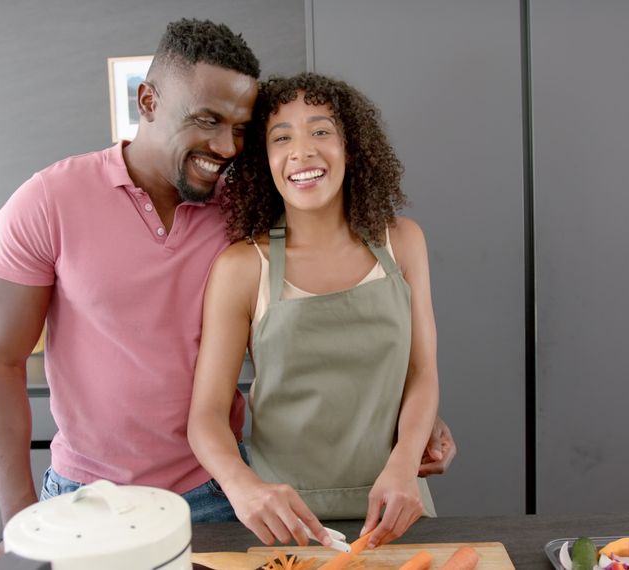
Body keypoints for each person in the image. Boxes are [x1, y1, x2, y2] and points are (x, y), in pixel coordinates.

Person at [0, 18, 456, 548]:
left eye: (241, 127)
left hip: (220, 492)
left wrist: (412, 425)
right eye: (207, 120)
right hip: (88, 495)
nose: (226, 146)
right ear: (149, 102)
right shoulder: (48, 201)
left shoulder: (243, 207)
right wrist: (18, 523)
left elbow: (340, 313)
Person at [188, 72, 440, 550]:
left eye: (320, 131)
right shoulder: (243, 266)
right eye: (281, 138)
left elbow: (422, 373)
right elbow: (206, 415)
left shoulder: (403, 242)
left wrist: (405, 464)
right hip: (281, 518)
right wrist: (245, 491)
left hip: (396, 503)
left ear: (352, 147)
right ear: (265, 160)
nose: (301, 152)